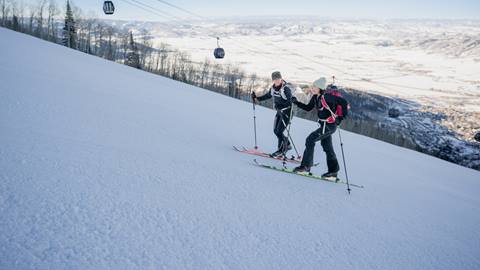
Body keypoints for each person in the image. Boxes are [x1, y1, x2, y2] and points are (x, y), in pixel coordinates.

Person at [291, 77, 349, 179]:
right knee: (327, 147)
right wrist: (296, 102)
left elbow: (344, 102)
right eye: (312, 86)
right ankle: (333, 171)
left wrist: (340, 118)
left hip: (330, 126)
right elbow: (308, 108)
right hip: (323, 125)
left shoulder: (326, 97)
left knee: (310, 139)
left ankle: (306, 166)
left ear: (320, 88)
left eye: (315, 87)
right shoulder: (315, 97)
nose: (312, 88)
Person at [251, 71, 293, 157]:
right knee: (276, 131)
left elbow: (290, 101)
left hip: (287, 112)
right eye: (275, 79)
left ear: (281, 79)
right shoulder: (273, 88)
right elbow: (267, 96)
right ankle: (284, 147)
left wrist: (281, 107)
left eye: (278, 79)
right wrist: (257, 98)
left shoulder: (286, 89)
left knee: (279, 131)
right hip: (279, 111)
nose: (277, 81)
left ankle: (283, 148)